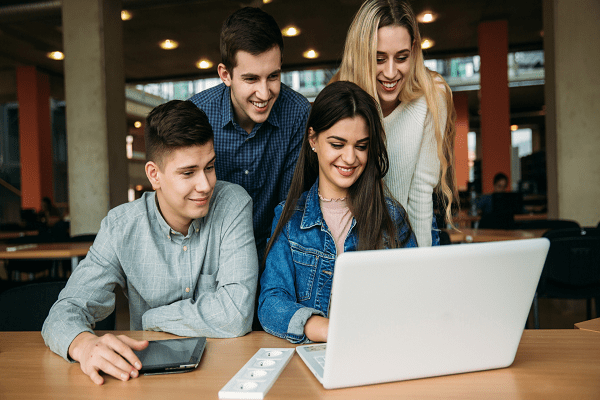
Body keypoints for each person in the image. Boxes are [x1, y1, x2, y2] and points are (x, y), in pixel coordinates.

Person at [42, 100, 258, 385]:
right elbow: (64, 311)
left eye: (210, 167)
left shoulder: (232, 204)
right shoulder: (121, 227)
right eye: (188, 172)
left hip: (224, 373)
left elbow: (235, 315)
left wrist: (153, 317)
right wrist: (84, 345)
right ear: (154, 175)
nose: (205, 185)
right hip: (145, 381)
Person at [258, 81, 417, 344]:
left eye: (361, 146)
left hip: (380, 351)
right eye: (337, 144)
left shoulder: (391, 217)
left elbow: (415, 295)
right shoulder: (290, 219)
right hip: (315, 356)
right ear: (313, 140)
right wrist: (328, 330)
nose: (350, 158)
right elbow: (271, 303)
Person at [189, 7, 311, 262]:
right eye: (251, 79)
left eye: (273, 77)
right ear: (225, 75)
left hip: (275, 252)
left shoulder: (299, 113)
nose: (264, 93)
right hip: (209, 255)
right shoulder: (197, 114)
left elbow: (290, 208)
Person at [332, 0, 457, 247]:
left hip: (411, 233)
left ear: (414, 49)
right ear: (361, 54)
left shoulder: (433, 95)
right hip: (354, 235)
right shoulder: (342, 97)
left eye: (401, 58)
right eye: (379, 59)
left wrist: (419, 269)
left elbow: (421, 194)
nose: (391, 73)